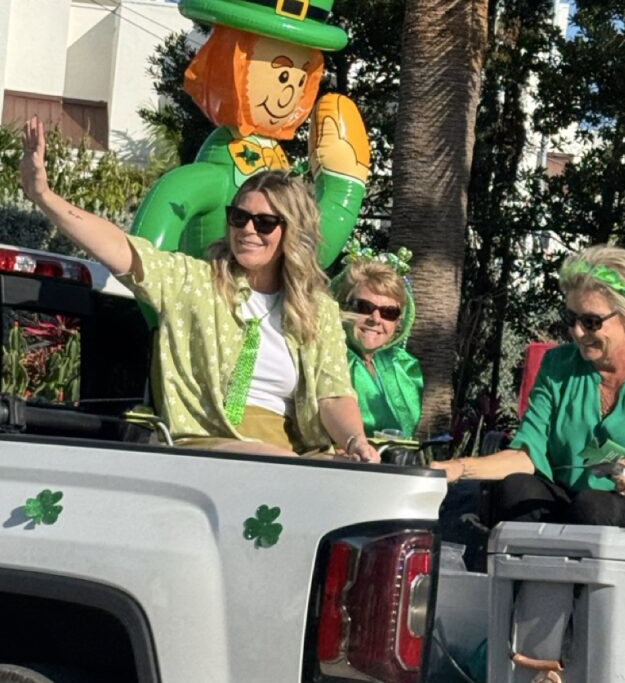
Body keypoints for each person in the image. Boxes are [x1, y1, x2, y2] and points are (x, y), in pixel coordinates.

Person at [20, 119, 379, 463]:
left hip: (298, 452)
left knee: (364, 475)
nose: (248, 229)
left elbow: (333, 396)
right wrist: (45, 197)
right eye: (239, 217)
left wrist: (355, 442)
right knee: (287, 466)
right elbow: (122, 250)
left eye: (265, 222)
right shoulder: (194, 281)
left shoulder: (317, 309)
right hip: (210, 444)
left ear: (291, 232)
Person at [434, 245, 625, 532]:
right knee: (515, 489)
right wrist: (457, 468)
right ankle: (528, 576)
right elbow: (526, 455)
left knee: (593, 507)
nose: (578, 332)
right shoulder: (558, 365)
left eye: (591, 322)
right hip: (577, 504)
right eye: (571, 319)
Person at [332, 242, 423, 439]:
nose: (375, 319)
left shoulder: (403, 366)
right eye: (363, 307)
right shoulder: (328, 358)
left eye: (388, 312)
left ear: (398, 322)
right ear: (342, 307)